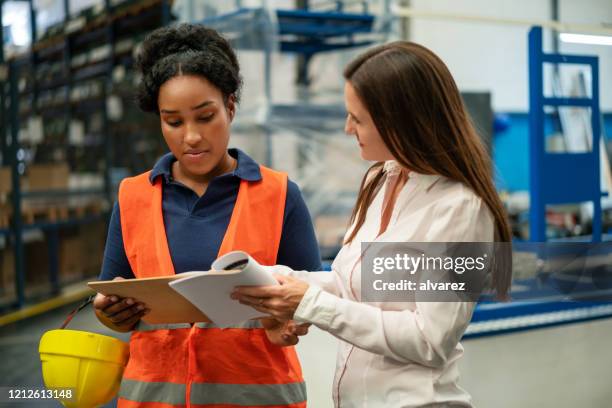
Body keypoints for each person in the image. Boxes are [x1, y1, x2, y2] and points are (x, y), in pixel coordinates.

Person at [232, 41, 513, 407]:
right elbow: (361, 285)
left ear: (401, 120)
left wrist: (313, 304)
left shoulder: (462, 209)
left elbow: (430, 340)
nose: (348, 128)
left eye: (358, 118)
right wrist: (282, 283)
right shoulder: (380, 180)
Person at [92, 23, 321, 408]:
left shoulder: (280, 195)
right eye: (174, 122)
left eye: (205, 116)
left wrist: (292, 322)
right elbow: (115, 300)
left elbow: (312, 300)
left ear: (230, 107)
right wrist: (110, 313)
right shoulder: (133, 197)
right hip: (153, 399)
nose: (192, 137)